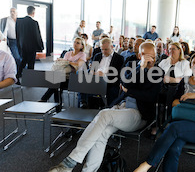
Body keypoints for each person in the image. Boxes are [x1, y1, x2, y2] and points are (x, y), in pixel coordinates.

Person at [49, 42, 164, 172]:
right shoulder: (134, 67)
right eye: (145, 54)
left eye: (152, 55)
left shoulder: (158, 72)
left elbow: (149, 96)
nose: (149, 58)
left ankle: (70, 162)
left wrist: (129, 91)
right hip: (121, 108)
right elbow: (125, 82)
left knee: (104, 114)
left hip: (138, 114)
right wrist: (141, 68)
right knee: (102, 134)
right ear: (139, 55)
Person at [134, 53, 195, 172]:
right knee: (173, 148)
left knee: (173, 128)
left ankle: (147, 164)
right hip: (180, 122)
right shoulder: (185, 80)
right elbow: (174, 102)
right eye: (194, 62)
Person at [40, 37, 86, 107]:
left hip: (74, 78)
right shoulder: (68, 53)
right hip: (64, 76)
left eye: (78, 43)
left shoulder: (82, 54)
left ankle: (47, 100)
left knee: (56, 83)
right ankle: (56, 105)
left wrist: (67, 61)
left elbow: (78, 65)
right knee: (56, 83)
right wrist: (68, 62)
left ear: (82, 46)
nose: (75, 44)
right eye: (74, 42)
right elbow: (63, 65)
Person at [79, 38, 124, 107]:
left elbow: (118, 75)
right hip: (95, 79)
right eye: (102, 49)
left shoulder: (119, 58)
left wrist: (104, 75)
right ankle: (83, 102)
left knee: (113, 90)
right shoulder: (98, 56)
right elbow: (92, 70)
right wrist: (93, 72)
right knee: (82, 78)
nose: (103, 52)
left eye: (106, 49)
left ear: (112, 47)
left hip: (109, 81)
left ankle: (108, 108)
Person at [158, 42, 192, 119]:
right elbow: (157, 75)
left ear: (179, 50)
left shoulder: (185, 63)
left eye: (173, 49)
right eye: (169, 49)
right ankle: (156, 119)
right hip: (163, 86)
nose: (171, 51)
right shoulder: (164, 62)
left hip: (178, 88)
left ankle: (167, 118)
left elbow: (186, 79)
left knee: (171, 90)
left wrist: (172, 80)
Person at [16, 6, 44, 81]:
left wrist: (19, 44)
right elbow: (37, 36)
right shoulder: (34, 23)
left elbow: (17, 34)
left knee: (23, 60)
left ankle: (18, 75)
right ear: (33, 13)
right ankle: (29, 79)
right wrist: (41, 46)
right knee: (31, 63)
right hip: (32, 47)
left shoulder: (19, 21)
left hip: (22, 45)